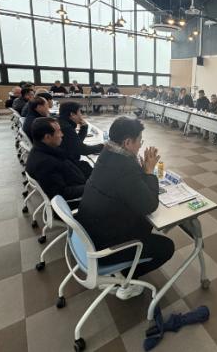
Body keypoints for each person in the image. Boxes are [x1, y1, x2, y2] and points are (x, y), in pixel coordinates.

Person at [76, 117, 174, 300]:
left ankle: (124, 269)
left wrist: (142, 172)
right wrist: (149, 172)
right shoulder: (125, 167)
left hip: (89, 231)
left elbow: (128, 187)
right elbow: (149, 205)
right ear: (128, 142)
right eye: (139, 141)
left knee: (145, 224)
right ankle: (124, 280)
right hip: (105, 246)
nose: (140, 146)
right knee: (166, 247)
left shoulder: (108, 152)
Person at [26, 117, 86, 203]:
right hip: (78, 199)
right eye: (59, 131)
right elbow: (62, 193)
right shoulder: (45, 163)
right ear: (47, 137)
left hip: (78, 182)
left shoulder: (43, 149)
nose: (62, 134)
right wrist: (91, 187)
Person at [58, 101, 104, 177]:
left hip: (67, 160)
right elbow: (82, 150)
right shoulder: (66, 128)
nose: (81, 115)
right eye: (79, 112)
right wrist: (103, 147)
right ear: (72, 114)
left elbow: (76, 144)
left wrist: (84, 128)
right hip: (67, 164)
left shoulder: (63, 122)